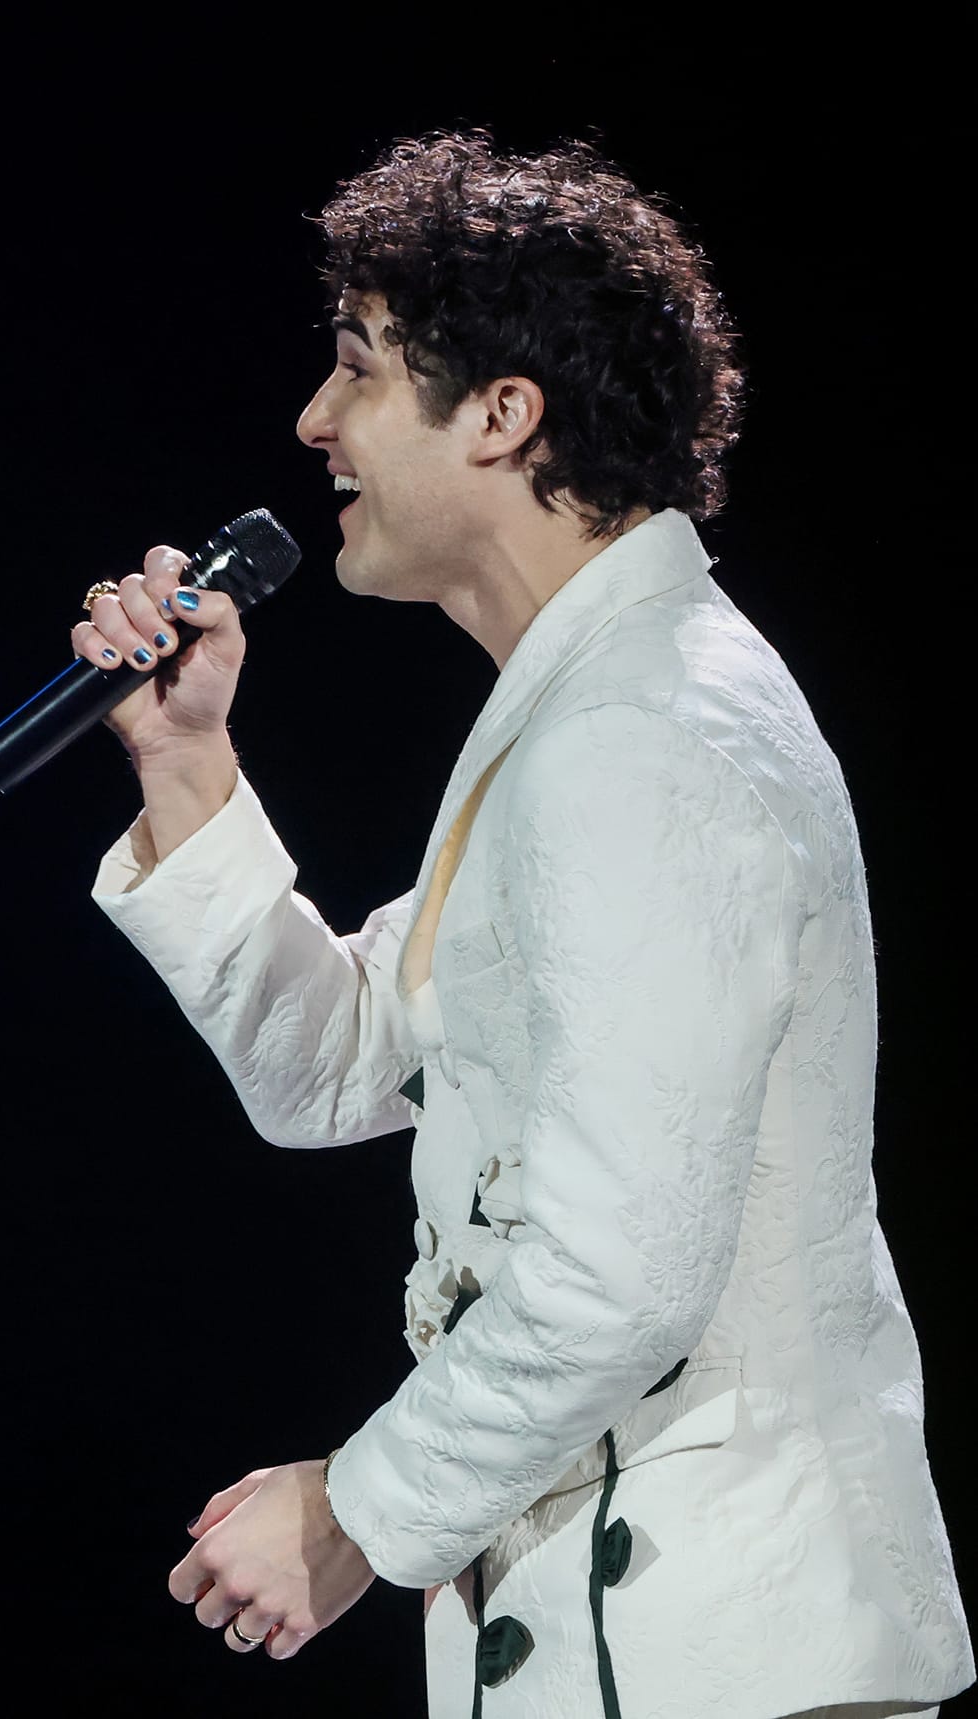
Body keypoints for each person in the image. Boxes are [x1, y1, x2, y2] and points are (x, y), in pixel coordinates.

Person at [74, 135, 972, 1718]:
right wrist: (189, 766)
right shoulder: (600, 707)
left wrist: (353, 1514)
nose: (313, 422)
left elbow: (619, 1274)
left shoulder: (646, 736)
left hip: (713, 1653)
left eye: (357, 370)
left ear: (503, 414)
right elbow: (338, 1066)